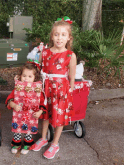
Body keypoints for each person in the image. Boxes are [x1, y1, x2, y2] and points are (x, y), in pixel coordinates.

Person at [31, 16, 77, 159]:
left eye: (63, 35)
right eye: (56, 34)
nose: (59, 38)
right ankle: (44, 138)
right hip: (46, 89)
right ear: (52, 36)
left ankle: (55, 143)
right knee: (44, 114)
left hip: (61, 91)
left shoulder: (70, 55)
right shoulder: (44, 52)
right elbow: (37, 70)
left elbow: (72, 77)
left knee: (59, 117)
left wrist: (70, 90)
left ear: (69, 37)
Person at [5, 62, 47, 155]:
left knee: (29, 131)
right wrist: (14, 105)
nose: (26, 79)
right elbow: (9, 99)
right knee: (17, 131)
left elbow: (42, 102)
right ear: (20, 76)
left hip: (31, 115)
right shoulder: (18, 88)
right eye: (24, 76)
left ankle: (27, 144)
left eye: (29, 76)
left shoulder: (37, 90)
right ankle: (16, 144)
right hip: (19, 115)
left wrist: (40, 111)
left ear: (34, 78)